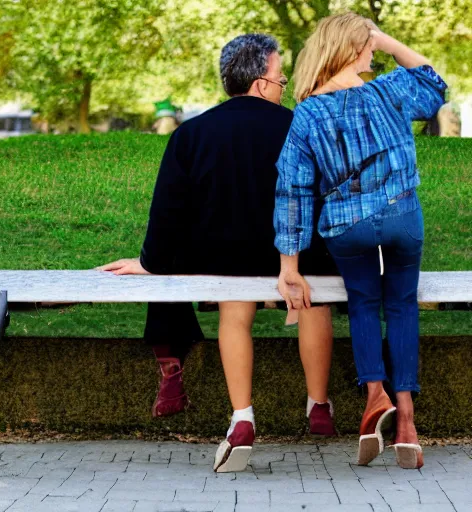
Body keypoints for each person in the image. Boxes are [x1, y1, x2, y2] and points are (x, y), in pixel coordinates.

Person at [98, 33, 339, 473]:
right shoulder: (301, 126)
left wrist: (149, 263)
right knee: (314, 301)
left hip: (227, 256)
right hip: (297, 254)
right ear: (262, 82)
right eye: (281, 78)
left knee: (234, 311)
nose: (283, 85)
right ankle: (318, 404)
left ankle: (242, 418)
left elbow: (167, 209)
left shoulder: (192, 133)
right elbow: (326, 193)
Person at [274, 13, 447, 469]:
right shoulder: (389, 91)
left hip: (346, 225)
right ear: (352, 48)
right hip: (401, 216)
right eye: (368, 45)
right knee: (403, 306)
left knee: (364, 305)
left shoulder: (308, 111)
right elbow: (434, 85)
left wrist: (288, 266)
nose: (374, 52)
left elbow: (293, 189)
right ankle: (407, 425)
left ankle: (375, 397)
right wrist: (390, 42)